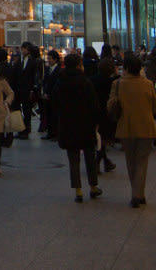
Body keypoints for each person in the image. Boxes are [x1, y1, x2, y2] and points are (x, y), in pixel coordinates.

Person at [110, 55, 156, 207]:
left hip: (127, 127)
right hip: (146, 126)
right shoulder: (148, 84)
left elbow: (110, 106)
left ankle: (136, 194)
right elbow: (154, 105)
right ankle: (139, 194)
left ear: (126, 69)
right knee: (142, 161)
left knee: (131, 161)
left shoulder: (117, 84)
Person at [55, 53, 101, 201]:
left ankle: (78, 191)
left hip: (68, 124)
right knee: (90, 156)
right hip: (85, 123)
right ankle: (93, 187)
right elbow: (93, 104)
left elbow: (55, 103)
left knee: (73, 159)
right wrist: (96, 121)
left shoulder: (60, 81)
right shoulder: (85, 82)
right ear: (79, 65)